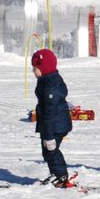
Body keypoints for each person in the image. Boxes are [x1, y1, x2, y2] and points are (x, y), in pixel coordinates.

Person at [31, 48, 75, 188]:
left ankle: (61, 176)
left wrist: (49, 136)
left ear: (44, 68)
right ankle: (55, 173)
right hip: (50, 124)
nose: (33, 71)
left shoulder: (51, 87)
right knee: (47, 151)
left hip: (55, 126)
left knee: (51, 150)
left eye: (35, 68)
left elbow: (50, 114)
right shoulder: (45, 80)